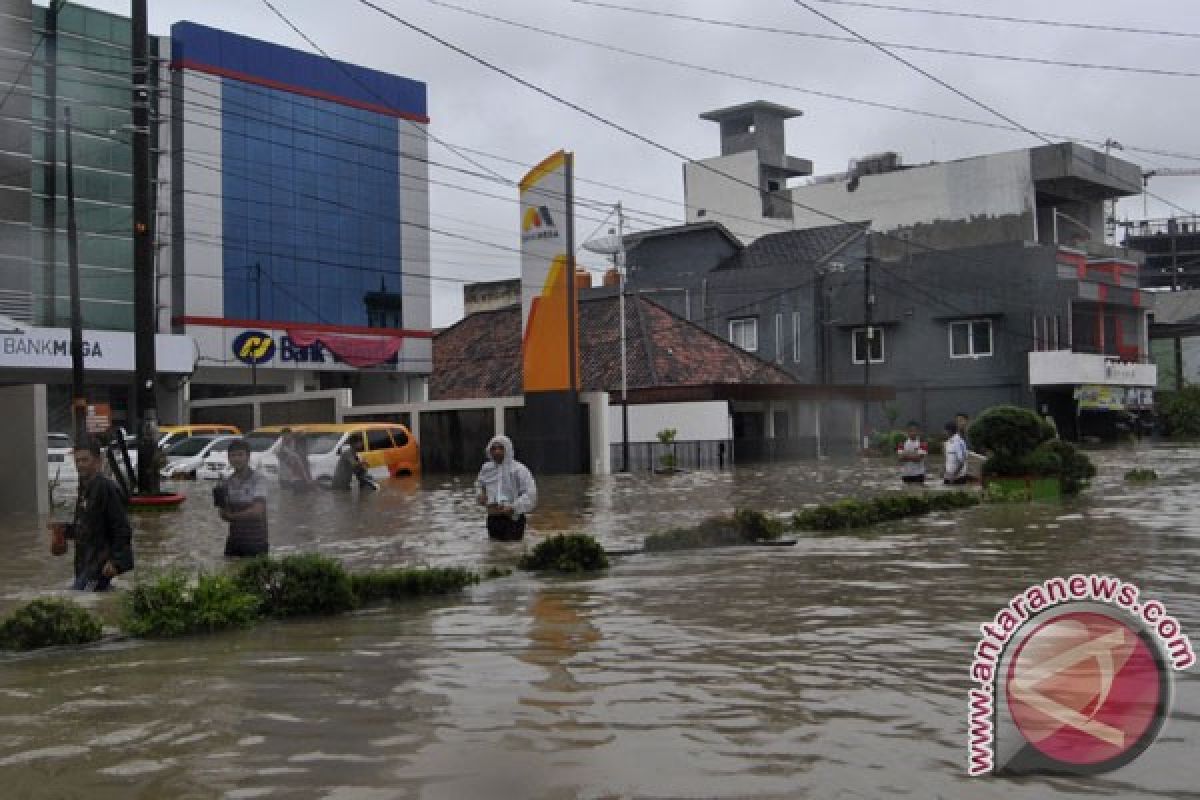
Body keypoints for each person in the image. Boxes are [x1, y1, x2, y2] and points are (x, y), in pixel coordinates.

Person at [51, 437, 134, 591]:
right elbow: (86, 528)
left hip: (99, 566)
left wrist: (116, 561)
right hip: (85, 563)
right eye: (77, 461)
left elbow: (121, 528)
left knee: (81, 598)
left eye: (85, 460)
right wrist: (63, 530)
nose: (80, 465)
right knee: (89, 600)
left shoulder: (106, 488)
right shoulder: (85, 487)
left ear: (98, 461)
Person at [476, 435, 537, 541]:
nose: (497, 452)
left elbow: (530, 494)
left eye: (501, 448)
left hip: (513, 518)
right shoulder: (486, 469)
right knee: (496, 550)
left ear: (508, 449)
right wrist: (480, 495)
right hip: (493, 517)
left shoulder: (519, 469)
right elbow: (479, 484)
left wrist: (514, 507)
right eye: (493, 448)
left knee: (513, 549)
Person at [215, 438, 269, 557]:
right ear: (229, 459)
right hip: (234, 541)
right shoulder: (227, 482)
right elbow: (223, 514)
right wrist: (219, 498)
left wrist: (232, 516)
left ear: (248, 457)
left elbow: (257, 512)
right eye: (233, 455)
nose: (236, 459)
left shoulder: (259, 479)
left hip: (256, 541)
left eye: (240, 455)